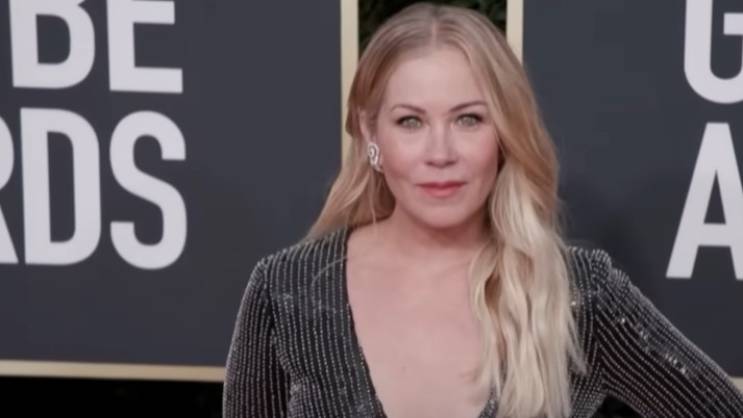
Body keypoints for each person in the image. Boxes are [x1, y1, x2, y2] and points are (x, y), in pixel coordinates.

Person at [222, 3, 743, 417]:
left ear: (505, 133)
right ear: (369, 132)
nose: (440, 153)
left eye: (469, 119)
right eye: (410, 121)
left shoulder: (579, 293)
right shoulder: (285, 289)